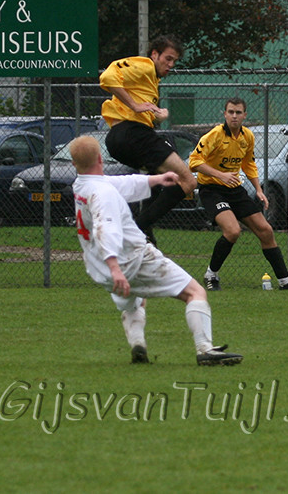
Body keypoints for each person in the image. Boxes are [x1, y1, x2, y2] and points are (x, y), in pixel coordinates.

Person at [69, 135, 242, 366]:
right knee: (195, 292)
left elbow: (119, 184)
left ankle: (138, 346)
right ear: (101, 158)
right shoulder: (103, 193)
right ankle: (205, 349)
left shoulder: (83, 185)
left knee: (135, 301)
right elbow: (105, 228)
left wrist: (156, 179)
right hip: (131, 259)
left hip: (100, 268)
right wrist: (115, 267)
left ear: (74, 164)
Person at [189, 97, 288, 291]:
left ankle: (285, 281)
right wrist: (220, 175)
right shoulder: (214, 135)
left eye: (238, 112)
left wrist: (259, 190)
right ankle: (211, 275)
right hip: (212, 189)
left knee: (265, 230)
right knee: (233, 231)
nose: (234, 116)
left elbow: (248, 164)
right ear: (224, 114)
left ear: (245, 115)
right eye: (230, 112)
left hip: (234, 189)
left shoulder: (247, 136)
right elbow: (194, 162)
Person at [99, 35, 197, 246]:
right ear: (154, 54)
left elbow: (141, 108)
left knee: (159, 179)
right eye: (168, 59)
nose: (171, 65)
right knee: (188, 181)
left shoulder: (151, 79)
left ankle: (145, 237)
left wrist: (158, 115)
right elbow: (107, 77)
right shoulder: (144, 65)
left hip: (118, 139)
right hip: (132, 134)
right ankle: (136, 229)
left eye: (174, 61)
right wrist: (135, 105)